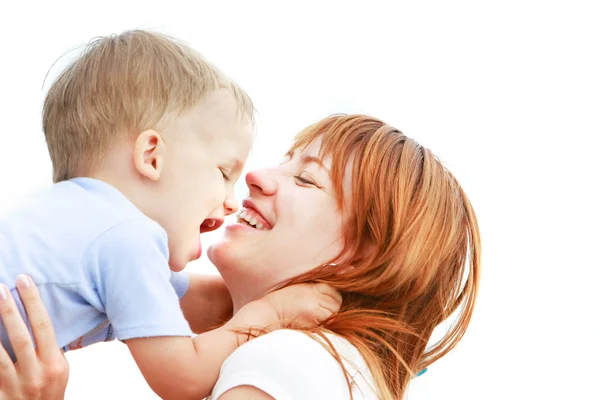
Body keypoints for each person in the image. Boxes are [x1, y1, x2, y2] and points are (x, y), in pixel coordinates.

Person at [1, 114, 480, 399]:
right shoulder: (330, 367)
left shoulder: (285, 359)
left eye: (307, 180)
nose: (257, 176)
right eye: (285, 160)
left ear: (362, 258)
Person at [0, 30, 341, 400]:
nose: (231, 202)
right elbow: (183, 378)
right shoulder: (125, 238)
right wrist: (271, 313)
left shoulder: (77, 225)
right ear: (152, 157)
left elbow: (211, 304)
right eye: (224, 174)